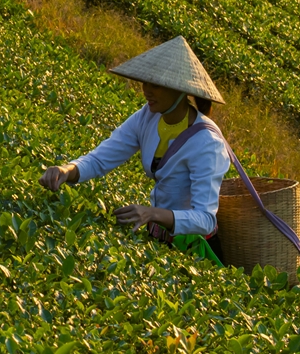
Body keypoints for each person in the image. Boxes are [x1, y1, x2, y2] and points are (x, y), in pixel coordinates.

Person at [39, 36, 229, 266]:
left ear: (180, 90)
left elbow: (205, 219)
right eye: (145, 82)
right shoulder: (148, 116)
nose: (146, 91)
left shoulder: (207, 143)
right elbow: (101, 159)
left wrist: (152, 214)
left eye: (156, 85)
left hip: (193, 253)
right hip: (157, 241)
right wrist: (67, 170)